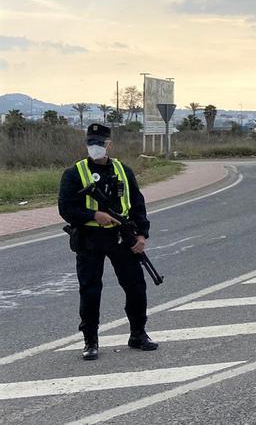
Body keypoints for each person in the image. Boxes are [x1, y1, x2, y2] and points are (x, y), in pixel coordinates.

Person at [58, 123, 158, 360]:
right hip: (89, 238)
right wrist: (94, 216)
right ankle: (90, 341)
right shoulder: (74, 173)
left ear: (109, 145)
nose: (96, 148)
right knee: (90, 290)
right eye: (91, 144)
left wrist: (142, 234)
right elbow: (66, 207)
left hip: (121, 237)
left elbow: (137, 205)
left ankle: (138, 334)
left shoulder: (124, 171)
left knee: (135, 286)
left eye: (100, 144)